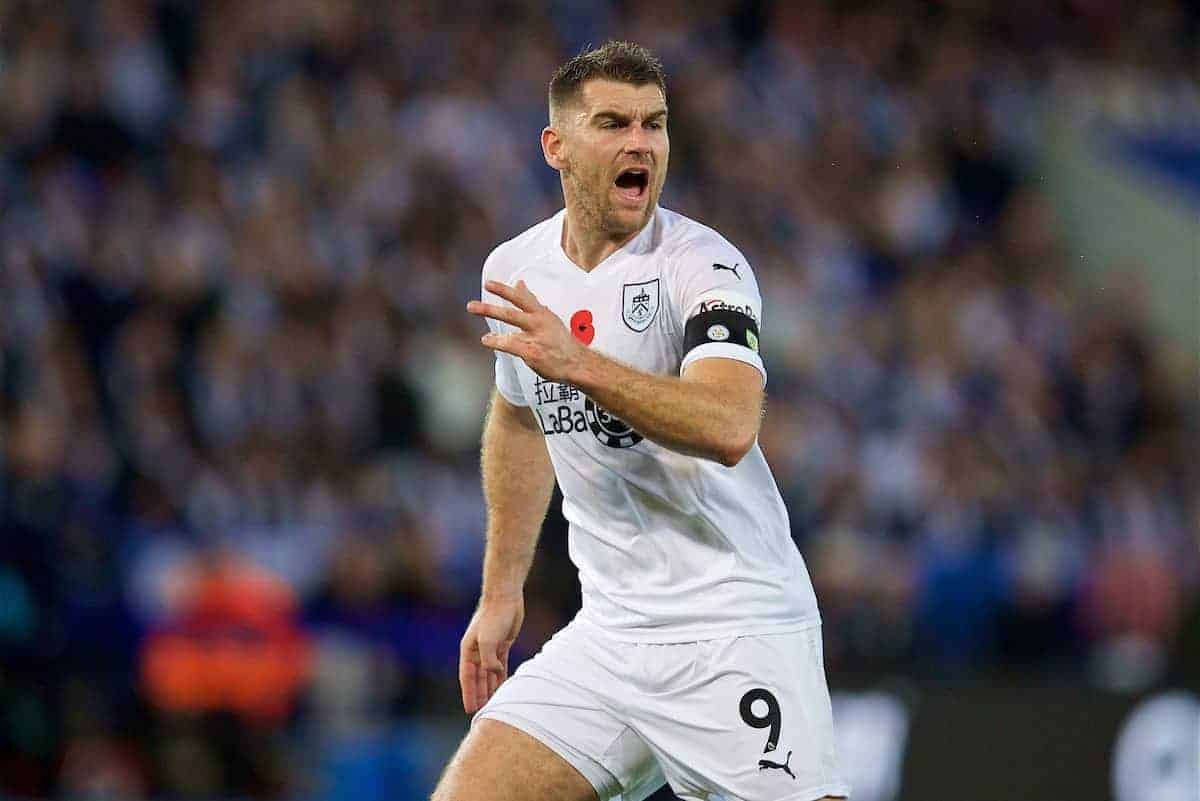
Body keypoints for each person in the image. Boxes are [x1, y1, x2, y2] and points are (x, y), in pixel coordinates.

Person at [435, 41, 849, 801]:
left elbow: (730, 423)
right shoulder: (516, 268)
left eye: (654, 125)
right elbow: (522, 420)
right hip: (614, 634)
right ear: (556, 146)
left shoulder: (705, 266)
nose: (641, 143)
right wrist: (501, 594)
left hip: (734, 626)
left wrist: (581, 363)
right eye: (614, 123)